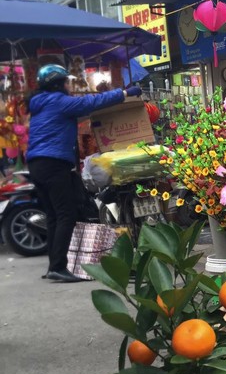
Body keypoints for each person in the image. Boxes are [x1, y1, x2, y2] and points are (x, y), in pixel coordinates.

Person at [27, 64, 142, 282]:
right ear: (58, 83)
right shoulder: (58, 101)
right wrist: (125, 93)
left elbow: (76, 115)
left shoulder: (41, 104)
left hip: (37, 165)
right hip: (54, 164)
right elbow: (90, 102)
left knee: (53, 216)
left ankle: (54, 265)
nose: (69, 85)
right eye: (66, 82)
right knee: (65, 215)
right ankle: (58, 267)